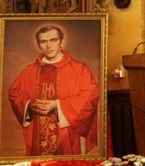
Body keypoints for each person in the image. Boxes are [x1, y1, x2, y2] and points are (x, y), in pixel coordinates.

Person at [8, 25, 100, 156]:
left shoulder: (79, 69)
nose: (49, 46)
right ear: (38, 45)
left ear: (61, 43)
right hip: (37, 132)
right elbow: (15, 94)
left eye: (53, 40)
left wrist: (57, 104)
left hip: (66, 133)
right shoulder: (29, 71)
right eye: (43, 42)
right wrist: (29, 104)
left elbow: (89, 97)